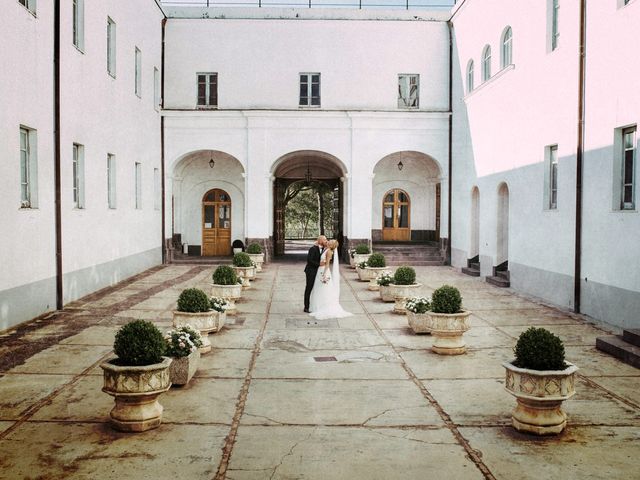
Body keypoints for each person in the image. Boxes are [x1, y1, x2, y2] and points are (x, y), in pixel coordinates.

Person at [308, 239, 352, 319]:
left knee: (323, 289)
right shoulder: (326, 249)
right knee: (318, 288)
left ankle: (323, 306)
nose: (328, 241)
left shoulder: (329, 252)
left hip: (323, 271)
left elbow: (327, 264)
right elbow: (318, 245)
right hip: (319, 270)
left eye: (330, 241)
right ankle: (317, 306)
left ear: (331, 245)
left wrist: (324, 274)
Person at [304, 235, 327, 313]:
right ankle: (306, 307)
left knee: (318, 288)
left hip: (318, 271)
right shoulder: (313, 249)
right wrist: (319, 264)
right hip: (310, 271)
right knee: (309, 288)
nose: (326, 241)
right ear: (320, 241)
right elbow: (309, 260)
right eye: (324, 240)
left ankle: (316, 305)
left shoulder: (324, 249)